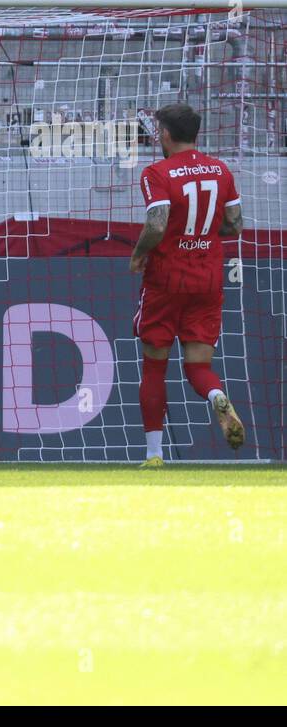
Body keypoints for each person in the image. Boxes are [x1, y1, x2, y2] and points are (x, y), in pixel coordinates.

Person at [129, 102, 245, 466]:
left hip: (167, 279)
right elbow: (235, 224)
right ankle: (215, 396)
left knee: (153, 367)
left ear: (164, 133)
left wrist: (138, 254)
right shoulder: (221, 169)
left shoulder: (156, 172)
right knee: (197, 366)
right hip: (208, 278)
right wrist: (205, 233)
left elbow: (158, 224)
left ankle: (153, 455)